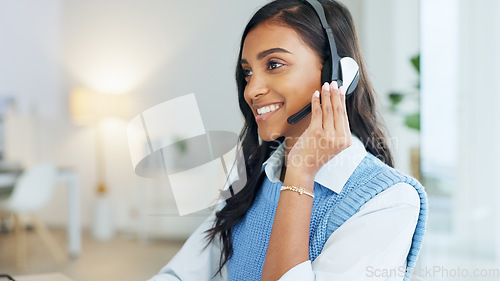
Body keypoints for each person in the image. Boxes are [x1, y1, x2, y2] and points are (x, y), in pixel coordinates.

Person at [148, 0, 427, 280]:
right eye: (248, 72)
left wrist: (301, 174)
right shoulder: (253, 173)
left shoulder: (389, 201)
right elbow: (182, 273)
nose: (251, 91)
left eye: (274, 64)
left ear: (336, 75)